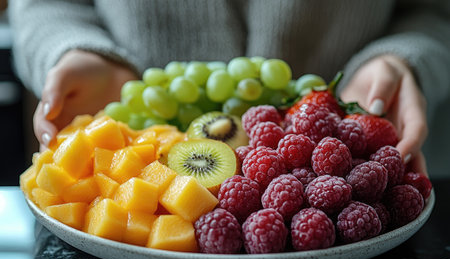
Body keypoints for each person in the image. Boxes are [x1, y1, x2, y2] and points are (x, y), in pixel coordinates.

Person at [8, 0, 450, 177]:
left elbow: (434, 11)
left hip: (346, 170)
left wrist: (401, 58)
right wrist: (68, 49)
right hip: (140, 190)